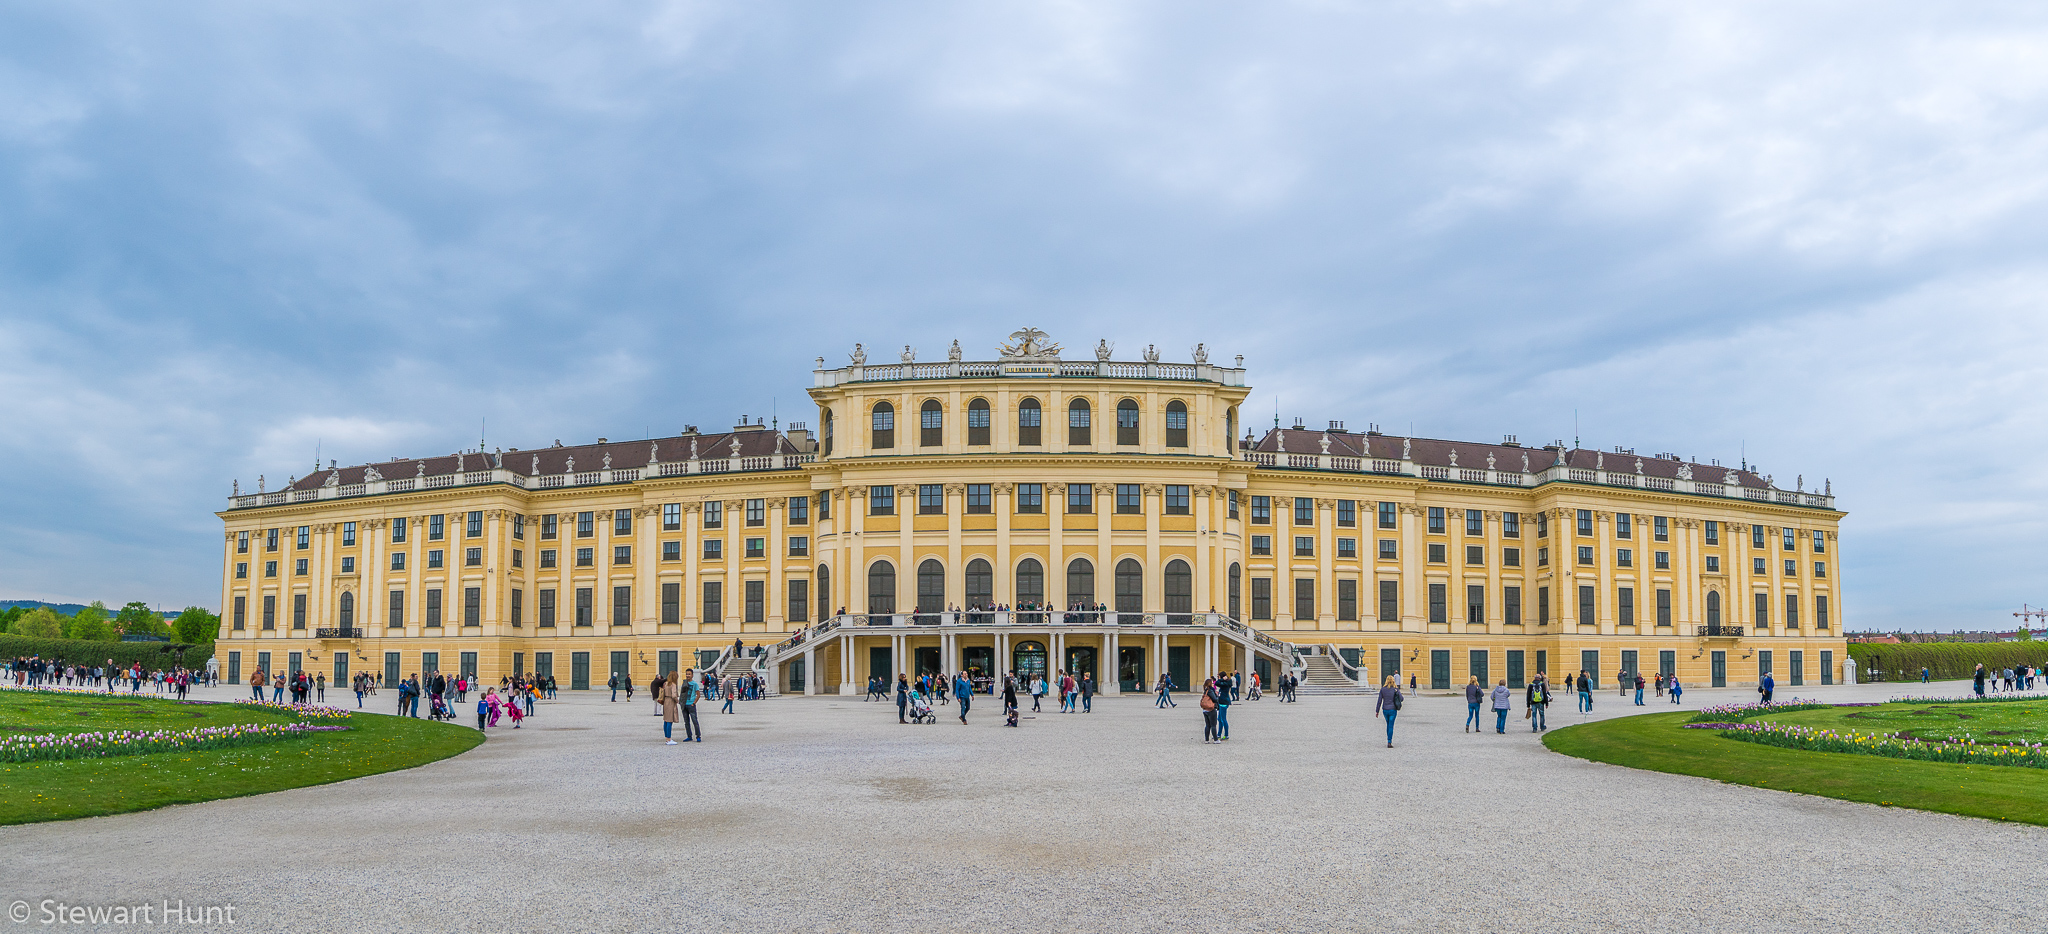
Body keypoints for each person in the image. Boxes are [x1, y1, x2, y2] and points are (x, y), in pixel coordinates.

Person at [1374, 675, 1402, 747]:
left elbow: (1379, 701)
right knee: (1391, 725)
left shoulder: (1383, 689)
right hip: (1393, 709)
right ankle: (1389, 741)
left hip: (1385, 710)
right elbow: (1401, 698)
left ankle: (1388, 739)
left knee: (1388, 724)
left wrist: (1377, 711)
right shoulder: (1395, 689)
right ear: (1393, 681)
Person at [680, 668, 703, 742]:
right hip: (684, 704)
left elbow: (698, 695)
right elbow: (682, 693)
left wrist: (694, 703)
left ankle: (698, 736)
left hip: (691, 705)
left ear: (692, 675)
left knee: (694, 721)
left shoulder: (695, 684)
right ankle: (689, 736)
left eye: (689, 674)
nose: (688, 675)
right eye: (687, 674)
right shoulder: (684, 683)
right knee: (686, 722)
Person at [660, 675, 682, 744]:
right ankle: (669, 739)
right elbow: (674, 695)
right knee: (670, 720)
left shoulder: (665, 683)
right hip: (670, 702)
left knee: (666, 720)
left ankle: (667, 737)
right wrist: (677, 701)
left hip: (666, 701)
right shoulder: (673, 684)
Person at [1213, 670, 1233, 740]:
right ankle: (1219, 734)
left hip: (1224, 702)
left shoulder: (1225, 683)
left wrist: (1221, 679)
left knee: (1223, 719)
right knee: (1220, 719)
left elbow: (1217, 683)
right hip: (1222, 701)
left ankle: (1226, 734)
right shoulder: (1225, 682)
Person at [1201, 678, 1220, 743]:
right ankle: (1215, 739)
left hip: (1205, 709)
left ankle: (1206, 739)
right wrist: (1218, 696)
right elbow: (1215, 699)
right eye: (1212, 683)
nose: (1213, 684)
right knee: (1213, 725)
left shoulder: (1205, 690)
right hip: (1211, 709)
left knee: (1207, 725)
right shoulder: (1210, 691)